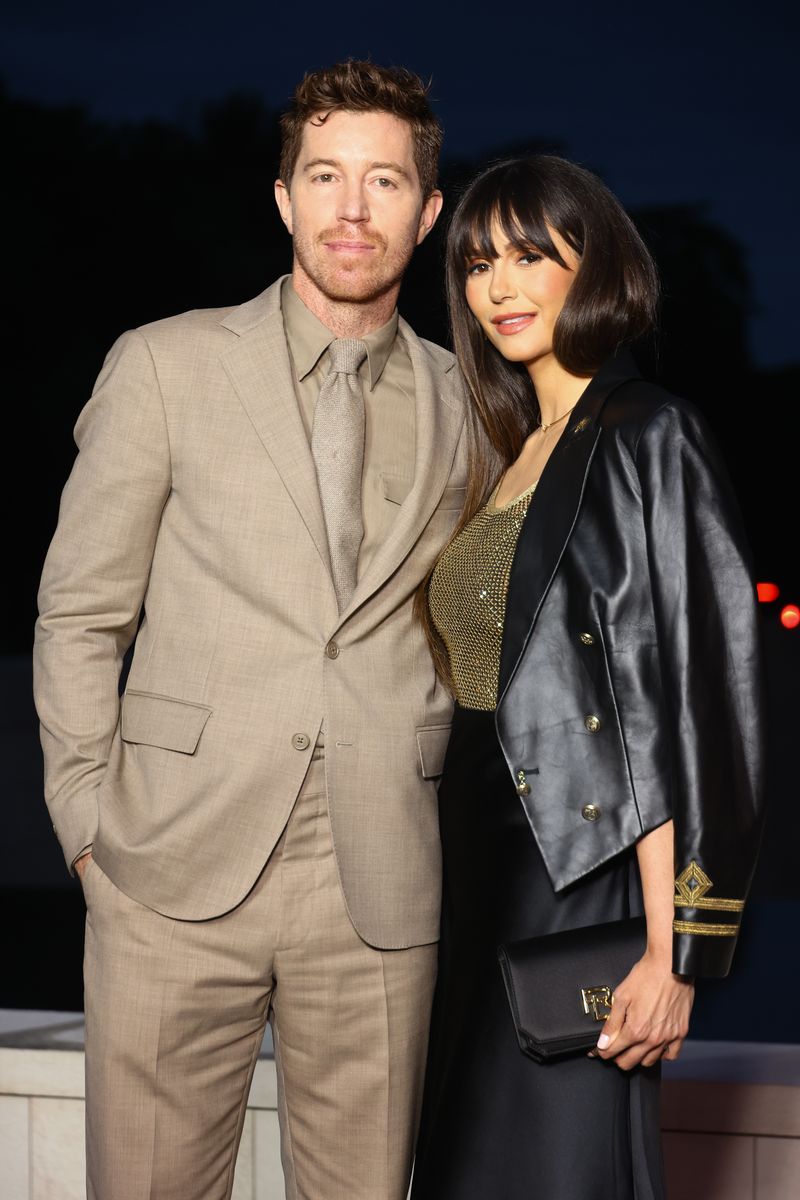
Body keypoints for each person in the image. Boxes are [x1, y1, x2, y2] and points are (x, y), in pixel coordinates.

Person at [33, 60, 469, 1200]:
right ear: (283, 199)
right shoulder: (165, 366)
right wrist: (87, 823)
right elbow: (79, 613)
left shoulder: (469, 405)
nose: (351, 207)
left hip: (376, 881)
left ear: (426, 214)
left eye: (384, 181)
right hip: (168, 863)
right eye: (324, 176)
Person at [410, 156, 765, 1199]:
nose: (498, 286)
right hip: (472, 875)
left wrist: (673, 954)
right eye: (476, 263)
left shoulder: (649, 431)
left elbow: (688, 703)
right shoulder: (509, 449)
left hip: (577, 875)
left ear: (593, 263)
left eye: (529, 254)